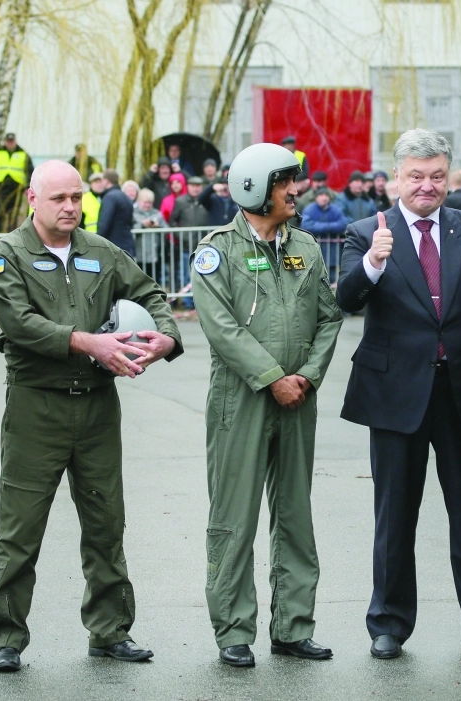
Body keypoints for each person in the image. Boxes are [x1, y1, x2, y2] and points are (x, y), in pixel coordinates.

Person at [336, 128, 461, 660]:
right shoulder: (365, 231)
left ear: (449, 177)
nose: (427, 186)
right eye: (416, 176)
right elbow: (346, 299)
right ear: (396, 177)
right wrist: (374, 262)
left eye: (437, 176)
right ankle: (389, 625)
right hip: (395, 391)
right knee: (394, 513)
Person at [0, 160, 182, 673]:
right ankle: (6, 637)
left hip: (96, 407)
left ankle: (110, 631)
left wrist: (167, 336)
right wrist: (86, 341)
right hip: (36, 407)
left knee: (105, 522)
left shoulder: (100, 251)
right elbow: (19, 322)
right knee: (20, 529)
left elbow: (151, 293)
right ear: (33, 200)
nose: (71, 207)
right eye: (59, 199)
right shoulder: (8, 254)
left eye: (77, 198)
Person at [191, 142, 343, 668]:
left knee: (296, 514)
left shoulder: (307, 247)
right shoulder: (216, 251)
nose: (295, 191)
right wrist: (272, 377)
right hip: (242, 399)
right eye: (285, 183)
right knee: (234, 517)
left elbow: (329, 317)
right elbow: (221, 328)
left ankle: (293, 627)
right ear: (255, 189)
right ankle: (234, 629)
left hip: (300, 398)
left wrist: (307, 375)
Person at [300, 187, 349, 283]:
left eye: (326, 195)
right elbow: (306, 225)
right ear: (316, 198)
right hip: (313, 251)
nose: (324, 198)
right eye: (321, 195)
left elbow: (343, 224)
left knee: (331, 279)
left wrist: (323, 227)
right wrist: (329, 227)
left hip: (332, 251)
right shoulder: (309, 209)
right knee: (314, 278)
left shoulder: (336, 209)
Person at [0, 132, 34, 233]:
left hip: (16, 188)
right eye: (8, 142)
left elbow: (29, 171)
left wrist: (28, 186)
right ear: (5, 142)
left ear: (15, 141)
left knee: (14, 214)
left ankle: (12, 233)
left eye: (12, 141)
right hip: (0, 187)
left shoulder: (23, 154)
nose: (10, 144)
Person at [96, 169, 136, 258]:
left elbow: (104, 223)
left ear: (106, 181)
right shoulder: (125, 197)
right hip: (126, 245)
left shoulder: (109, 197)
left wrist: (97, 243)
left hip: (113, 246)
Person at [133, 187, 166, 281]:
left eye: (150, 203)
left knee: (154, 279)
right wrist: (141, 225)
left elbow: (167, 229)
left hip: (154, 254)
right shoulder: (133, 214)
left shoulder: (157, 214)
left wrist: (157, 226)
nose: (147, 205)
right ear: (139, 201)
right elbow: (129, 229)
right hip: (138, 254)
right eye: (145, 202)